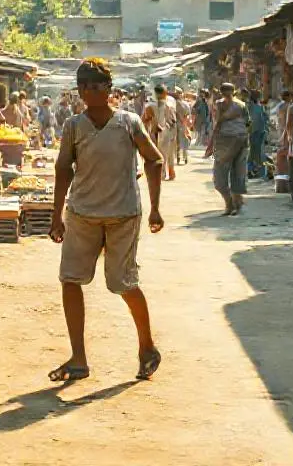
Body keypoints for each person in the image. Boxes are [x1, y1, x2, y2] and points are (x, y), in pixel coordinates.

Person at [51, 58, 164, 382]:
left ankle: (146, 347)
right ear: (79, 90)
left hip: (123, 216)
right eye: (84, 85)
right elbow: (63, 170)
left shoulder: (129, 123)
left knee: (123, 283)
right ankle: (78, 359)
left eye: (97, 85)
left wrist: (155, 208)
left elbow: (154, 160)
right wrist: (56, 216)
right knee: (70, 280)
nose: (90, 91)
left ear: (109, 90)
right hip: (82, 215)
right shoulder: (73, 126)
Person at [204, 83, 249, 215]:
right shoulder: (241, 105)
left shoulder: (219, 105)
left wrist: (211, 144)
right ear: (234, 91)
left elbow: (216, 124)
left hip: (225, 142)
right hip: (240, 141)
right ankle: (236, 204)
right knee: (238, 174)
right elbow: (248, 124)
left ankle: (230, 204)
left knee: (220, 177)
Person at [142, 85, 178, 181]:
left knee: (160, 154)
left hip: (157, 132)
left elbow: (145, 120)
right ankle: (170, 172)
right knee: (169, 153)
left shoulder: (150, 105)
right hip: (169, 130)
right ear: (165, 93)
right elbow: (173, 119)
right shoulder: (171, 102)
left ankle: (162, 174)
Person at [247, 90, 269, 177]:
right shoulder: (255, 107)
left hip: (256, 131)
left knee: (254, 151)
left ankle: (253, 170)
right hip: (257, 131)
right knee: (256, 151)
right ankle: (253, 169)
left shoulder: (252, 106)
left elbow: (264, 118)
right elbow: (264, 118)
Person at [173, 87, 191, 165]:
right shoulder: (173, 103)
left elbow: (187, 115)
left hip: (179, 124)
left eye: (179, 93)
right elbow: (187, 115)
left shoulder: (174, 103)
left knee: (180, 141)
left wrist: (184, 123)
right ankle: (181, 157)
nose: (178, 95)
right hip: (178, 124)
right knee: (180, 141)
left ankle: (182, 157)